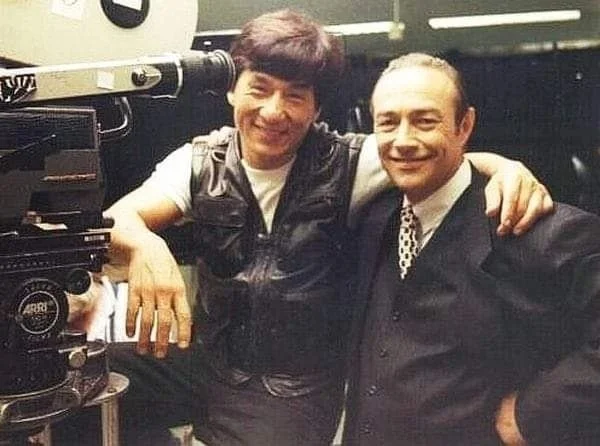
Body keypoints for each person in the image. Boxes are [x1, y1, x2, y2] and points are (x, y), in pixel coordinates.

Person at [103, 10, 552, 446]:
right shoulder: (200, 161)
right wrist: (144, 246)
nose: (273, 112)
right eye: (259, 89)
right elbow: (117, 220)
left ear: (316, 107)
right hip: (209, 363)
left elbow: (431, 156)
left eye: (295, 96)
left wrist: (505, 167)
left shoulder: (350, 162)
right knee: (85, 380)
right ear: (232, 91)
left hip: (291, 390)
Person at [343, 52, 600, 446]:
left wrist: (533, 414)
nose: (403, 140)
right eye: (388, 123)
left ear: (464, 126)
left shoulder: (537, 228)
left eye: (425, 121)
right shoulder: (374, 219)